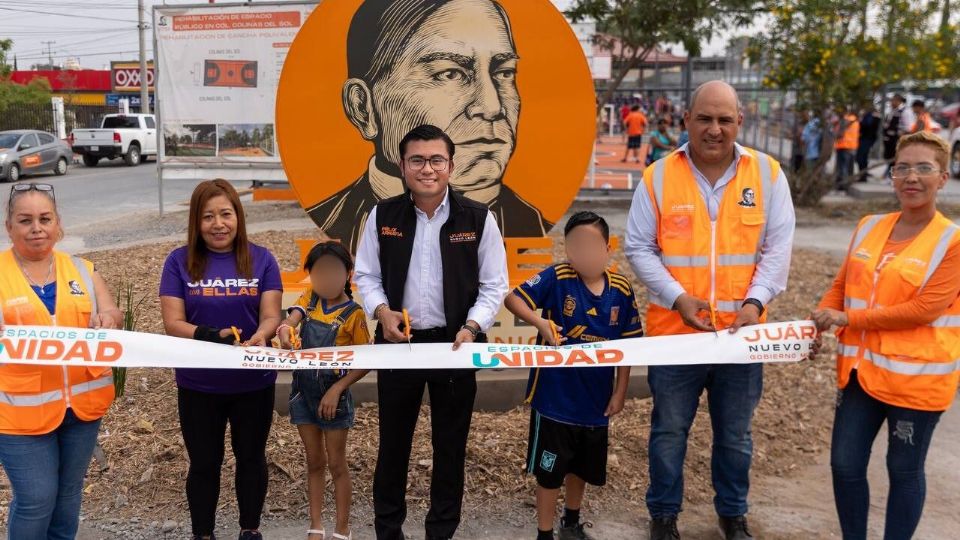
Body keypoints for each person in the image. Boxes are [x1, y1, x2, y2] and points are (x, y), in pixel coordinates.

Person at [624, 80, 796, 540]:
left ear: (740, 121)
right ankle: (663, 516)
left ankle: (733, 515)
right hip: (675, 336)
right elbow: (638, 247)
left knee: (736, 436)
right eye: (704, 118)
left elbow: (777, 251)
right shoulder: (659, 176)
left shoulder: (768, 175)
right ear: (687, 120)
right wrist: (678, 298)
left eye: (724, 119)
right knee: (668, 432)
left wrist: (755, 303)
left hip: (741, 339)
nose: (714, 129)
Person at [354, 124, 509, 540]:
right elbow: (365, 275)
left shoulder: (477, 218)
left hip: (455, 347)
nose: (427, 168)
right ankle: (389, 530)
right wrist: (382, 312)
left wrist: (472, 327)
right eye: (418, 160)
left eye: (436, 160)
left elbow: (494, 285)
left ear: (451, 166)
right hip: (398, 345)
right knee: (393, 446)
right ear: (402, 165)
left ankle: (441, 532)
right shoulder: (382, 216)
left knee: (450, 448)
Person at [308, 0, 552, 253]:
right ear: (363, 107)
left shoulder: (530, 225)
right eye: (449, 73)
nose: (492, 106)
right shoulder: (336, 222)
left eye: (504, 72)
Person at [811, 131, 960, 540]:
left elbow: (924, 309)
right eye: (902, 167)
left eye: (924, 168)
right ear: (892, 175)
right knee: (844, 464)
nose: (911, 177)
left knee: (903, 470)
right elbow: (841, 286)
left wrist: (846, 318)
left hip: (916, 380)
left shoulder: (952, 241)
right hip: (860, 373)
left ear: (943, 178)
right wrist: (819, 321)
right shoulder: (869, 226)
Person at [504, 211, 641, 540]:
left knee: (581, 466)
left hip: (595, 403)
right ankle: (544, 533)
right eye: (575, 245)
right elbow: (513, 299)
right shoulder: (558, 277)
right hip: (554, 400)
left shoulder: (621, 290)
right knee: (549, 473)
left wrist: (620, 391)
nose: (584, 252)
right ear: (568, 250)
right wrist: (540, 323)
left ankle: (571, 523)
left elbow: (629, 346)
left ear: (608, 248)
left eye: (592, 245)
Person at [159, 179, 283, 540]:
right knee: (204, 464)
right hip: (199, 383)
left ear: (238, 216)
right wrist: (208, 335)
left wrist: (263, 334)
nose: (218, 224)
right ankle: (203, 534)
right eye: (208, 216)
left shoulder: (262, 259)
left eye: (226, 214)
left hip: (253, 381)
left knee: (251, 458)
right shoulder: (178, 262)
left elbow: (271, 315)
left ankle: (250, 530)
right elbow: (173, 322)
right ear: (196, 222)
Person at [0, 183, 122, 539]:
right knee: (36, 499)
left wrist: (108, 319)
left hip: (82, 409)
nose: (36, 228)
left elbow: (113, 312)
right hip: (20, 413)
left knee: (68, 496)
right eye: (25, 220)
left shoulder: (82, 270)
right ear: (9, 226)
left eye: (45, 218)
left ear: (58, 224)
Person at [278, 241, 371, 540]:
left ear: (348, 274)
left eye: (334, 271)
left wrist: (338, 389)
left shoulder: (354, 315)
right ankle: (315, 525)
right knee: (314, 461)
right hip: (302, 394)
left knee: (336, 463)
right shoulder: (310, 300)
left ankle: (342, 528)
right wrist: (285, 330)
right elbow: (291, 320)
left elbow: (366, 361)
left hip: (334, 398)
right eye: (319, 273)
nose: (326, 279)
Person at [882, 94, 914, 173]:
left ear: (898, 101)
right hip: (888, 140)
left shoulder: (905, 111)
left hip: (897, 140)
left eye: (893, 100)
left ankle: (895, 175)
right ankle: (889, 174)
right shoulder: (892, 111)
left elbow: (908, 128)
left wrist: (901, 137)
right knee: (889, 157)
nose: (891, 103)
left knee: (896, 159)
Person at [835, 108, 860, 190]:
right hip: (852, 146)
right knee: (850, 167)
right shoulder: (856, 121)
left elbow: (839, 133)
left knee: (842, 167)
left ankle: (842, 185)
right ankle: (848, 184)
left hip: (843, 146)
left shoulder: (844, 120)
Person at [856, 106, 881, 178]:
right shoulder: (872, 116)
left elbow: (866, 125)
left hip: (866, 139)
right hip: (868, 139)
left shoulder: (870, 116)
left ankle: (863, 175)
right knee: (863, 157)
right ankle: (863, 173)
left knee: (861, 157)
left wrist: (861, 120)